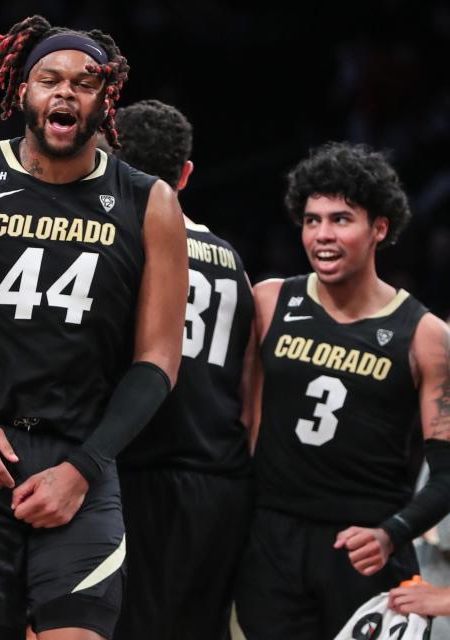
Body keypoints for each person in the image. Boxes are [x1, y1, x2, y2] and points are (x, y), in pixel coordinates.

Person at [0, 15, 188, 640]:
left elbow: (159, 360)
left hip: (82, 460)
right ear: (22, 93)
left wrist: (86, 466)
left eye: (85, 82)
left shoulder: (150, 203)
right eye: (48, 79)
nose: (65, 93)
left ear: (106, 98)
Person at [234, 142, 450, 638]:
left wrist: (393, 532)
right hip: (273, 541)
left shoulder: (424, 335)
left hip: (366, 548)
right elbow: (237, 419)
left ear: (380, 228)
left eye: (340, 219)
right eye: (312, 221)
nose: (322, 236)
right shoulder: (269, 302)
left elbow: (446, 474)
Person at [110, 100, 255, 639]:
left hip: (138, 471)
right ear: (186, 173)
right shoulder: (232, 260)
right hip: (220, 483)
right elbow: (247, 384)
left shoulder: (126, 244)